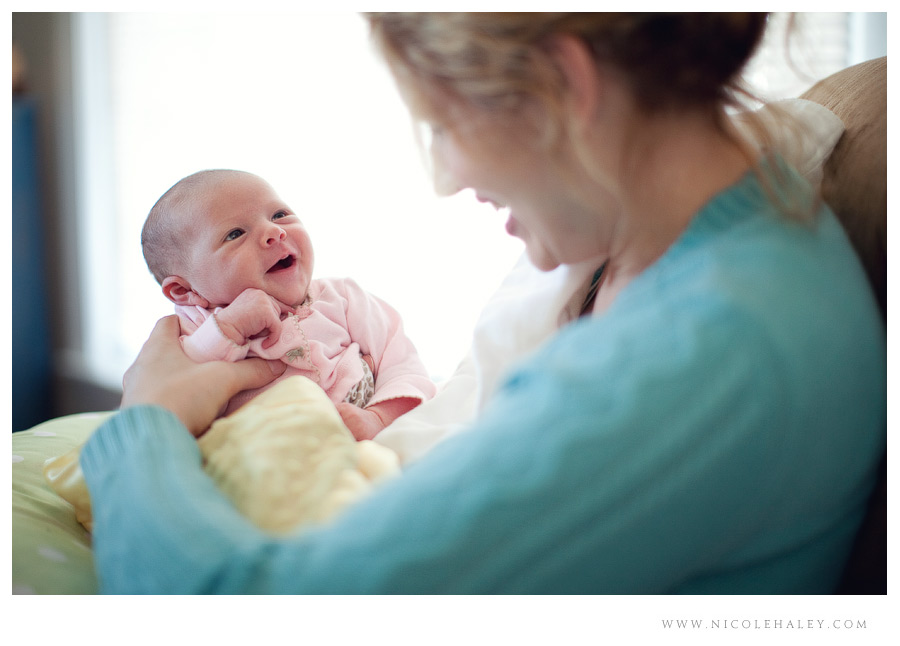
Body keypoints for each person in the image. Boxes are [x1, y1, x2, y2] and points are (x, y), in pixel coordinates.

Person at [80, 13, 885, 593]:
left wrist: (143, 420)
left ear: (565, 86)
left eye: (444, 125)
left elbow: (256, 607)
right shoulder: (715, 206)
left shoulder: (705, 362)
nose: (445, 175)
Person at [141, 169, 436, 439]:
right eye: (235, 234)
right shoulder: (194, 328)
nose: (274, 231)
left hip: (358, 429)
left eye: (279, 214)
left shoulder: (342, 298)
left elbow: (403, 364)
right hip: (263, 452)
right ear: (184, 290)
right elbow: (181, 385)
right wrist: (228, 327)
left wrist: (378, 418)